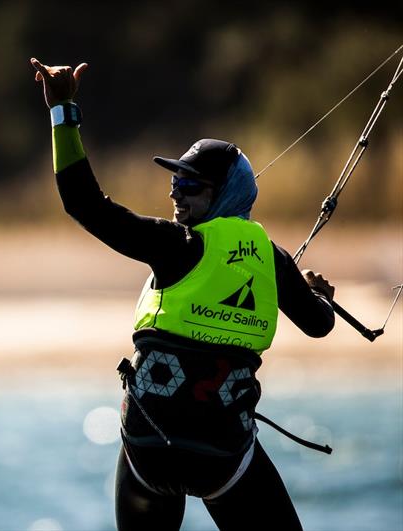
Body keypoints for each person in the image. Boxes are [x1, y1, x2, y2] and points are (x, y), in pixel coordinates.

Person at [30, 57, 336, 531]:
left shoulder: (176, 246)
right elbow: (319, 324)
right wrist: (319, 295)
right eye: (175, 182)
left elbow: (82, 202)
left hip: (150, 453)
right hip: (222, 457)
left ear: (226, 193)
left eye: (191, 186)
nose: (176, 195)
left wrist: (62, 111)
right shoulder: (271, 259)